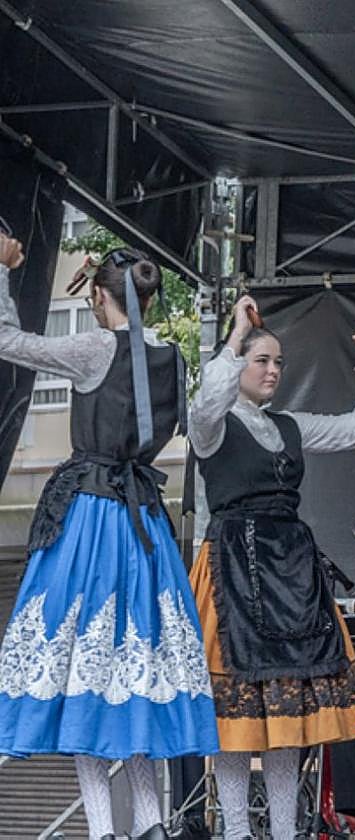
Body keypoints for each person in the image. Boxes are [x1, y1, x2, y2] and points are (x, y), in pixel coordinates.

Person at [0, 237, 217, 840]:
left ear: (99, 296)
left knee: (83, 677)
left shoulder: (96, 347)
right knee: (135, 679)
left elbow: (8, 340)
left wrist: (3, 269)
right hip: (144, 521)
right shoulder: (172, 356)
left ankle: (103, 832)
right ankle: (151, 825)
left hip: (93, 520)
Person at [188, 295, 355, 840]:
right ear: (238, 363)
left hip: (289, 571)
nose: (274, 370)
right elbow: (206, 402)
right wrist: (236, 335)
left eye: (279, 362)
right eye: (263, 360)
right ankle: (236, 831)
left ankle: (285, 831)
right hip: (233, 568)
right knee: (234, 715)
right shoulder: (213, 425)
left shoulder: (288, 425)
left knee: (287, 712)